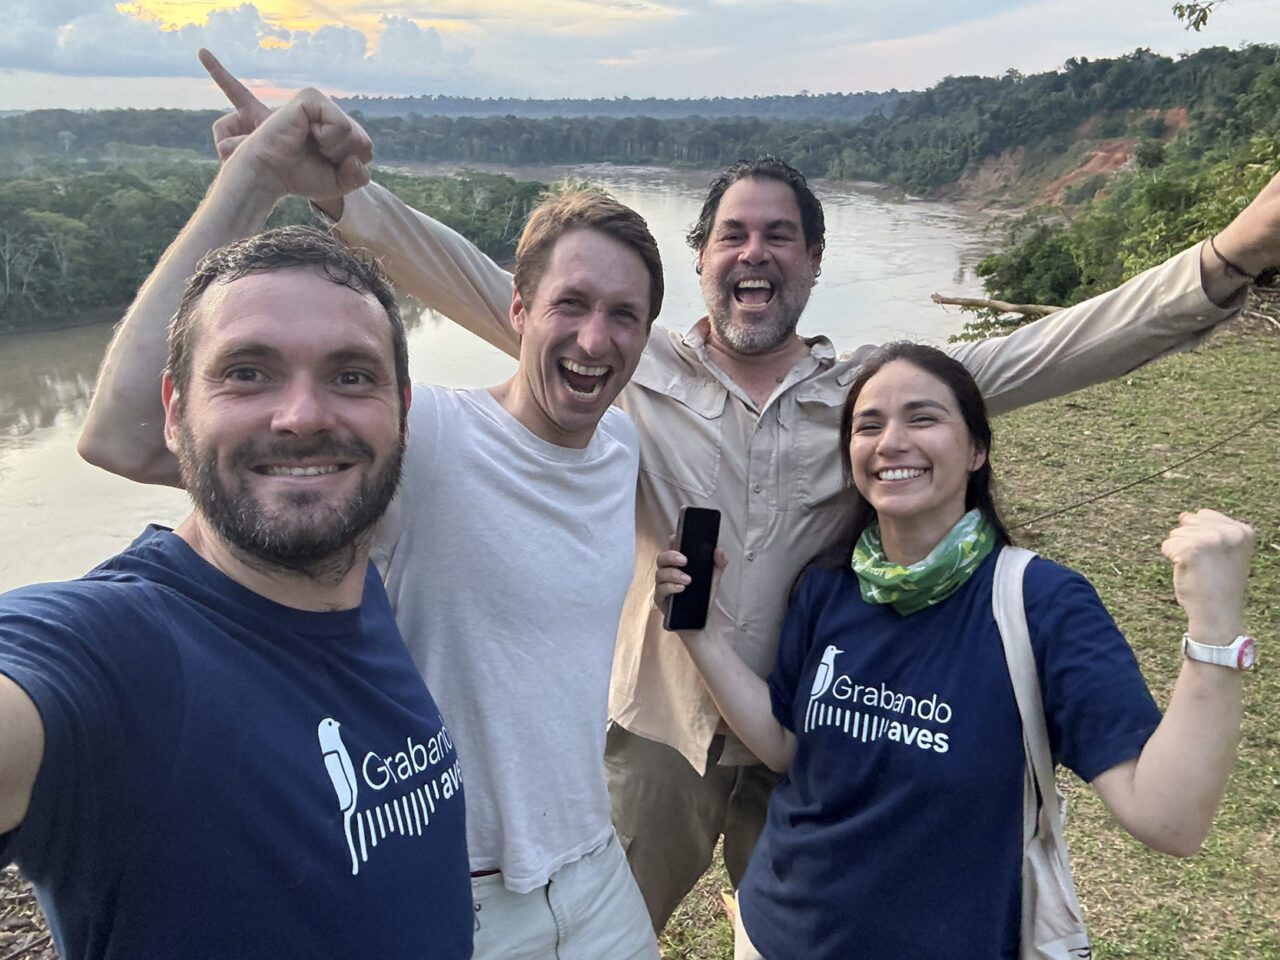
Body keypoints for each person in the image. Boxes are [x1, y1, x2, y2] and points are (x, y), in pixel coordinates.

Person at [93, 50, 1280, 933]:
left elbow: (1064, 345)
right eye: (730, 236)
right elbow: (477, 275)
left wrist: (1226, 254)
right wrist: (331, 192)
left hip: (801, 733)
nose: (752, 253)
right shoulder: (628, 364)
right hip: (650, 731)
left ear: (812, 261)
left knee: (806, 934)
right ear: (702, 257)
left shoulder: (874, 392)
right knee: (593, 923)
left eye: (778, 236)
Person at [78, 67, 664, 960]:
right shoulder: (419, 433)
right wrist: (254, 180)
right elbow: (122, 435)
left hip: (595, 874)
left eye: (624, 316)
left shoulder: (623, 451)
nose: (595, 340)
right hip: (448, 893)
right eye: (570, 305)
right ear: (517, 310)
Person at [654, 341, 1256, 959]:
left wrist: (1214, 623)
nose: (891, 442)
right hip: (777, 935)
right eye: (869, 425)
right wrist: (702, 633)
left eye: (923, 418)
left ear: (976, 449)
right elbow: (787, 746)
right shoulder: (829, 583)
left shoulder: (1041, 604)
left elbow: (1169, 819)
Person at [0, 224, 473, 959]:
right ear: (173, 411)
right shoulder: (124, 653)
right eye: (247, 373)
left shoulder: (352, 584)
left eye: (351, 375)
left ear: (402, 412)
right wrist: (256, 168)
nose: (303, 416)